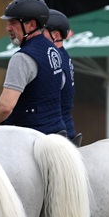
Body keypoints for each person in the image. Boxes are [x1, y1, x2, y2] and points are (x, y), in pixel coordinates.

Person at [0, 0, 66, 134]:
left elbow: (5, 107)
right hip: (57, 131)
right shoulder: (54, 50)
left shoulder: (22, 58)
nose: (8, 28)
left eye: (13, 22)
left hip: (31, 136)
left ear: (31, 25)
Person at [44, 9, 79, 143]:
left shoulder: (51, 59)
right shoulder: (63, 55)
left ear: (56, 35)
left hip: (54, 135)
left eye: (42, 32)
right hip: (66, 126)